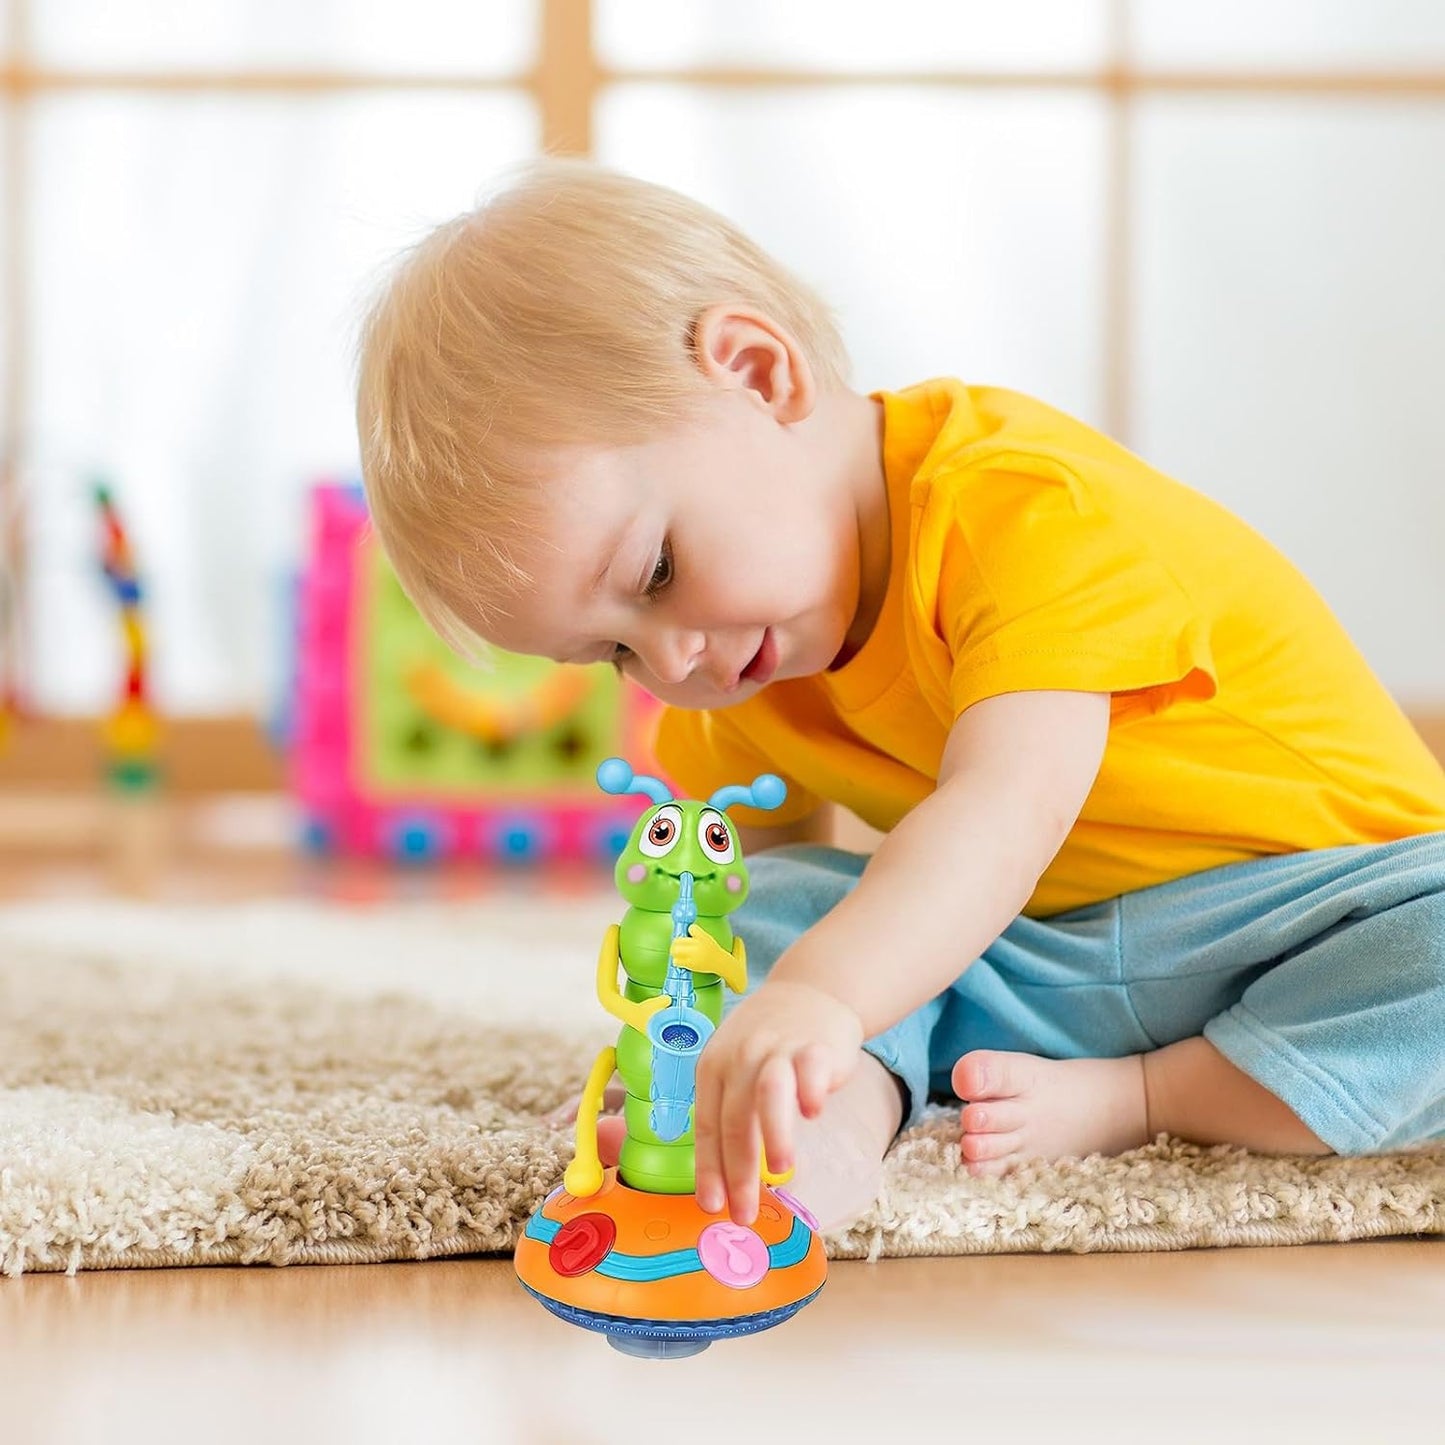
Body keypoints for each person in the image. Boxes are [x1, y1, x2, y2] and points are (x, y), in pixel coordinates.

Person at [355, 157, 1445, 1232]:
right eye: (610, 654)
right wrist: (695, 1035)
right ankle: (797, 1137)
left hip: (1315, 920)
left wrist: (819, 998)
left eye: (653, 574)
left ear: (755, 372)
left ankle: (1155, 1095)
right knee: (782, 906)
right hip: (1032, 963)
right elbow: (731, 890)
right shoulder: (733, 662)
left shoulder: (1020, 508)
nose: (670, 661)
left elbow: (1000, 815)